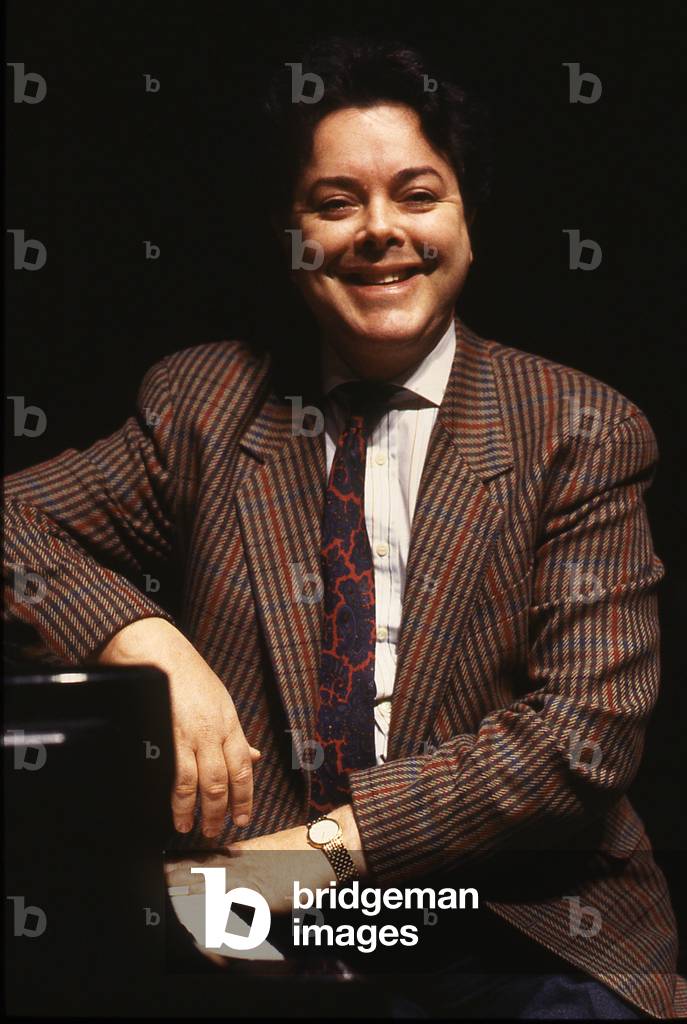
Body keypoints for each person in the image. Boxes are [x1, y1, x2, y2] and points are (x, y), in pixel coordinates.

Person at [3, 35, 685, 1019]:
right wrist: (144, 640)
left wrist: (326, 853)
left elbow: (582, 739)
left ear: (468, 222)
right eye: (335, 202)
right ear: (291, 232)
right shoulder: (204, 402)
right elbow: (14, 519)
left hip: (520, 921)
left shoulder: (581, 427)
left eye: (417, 195)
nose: (379, 230)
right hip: (256, 934)